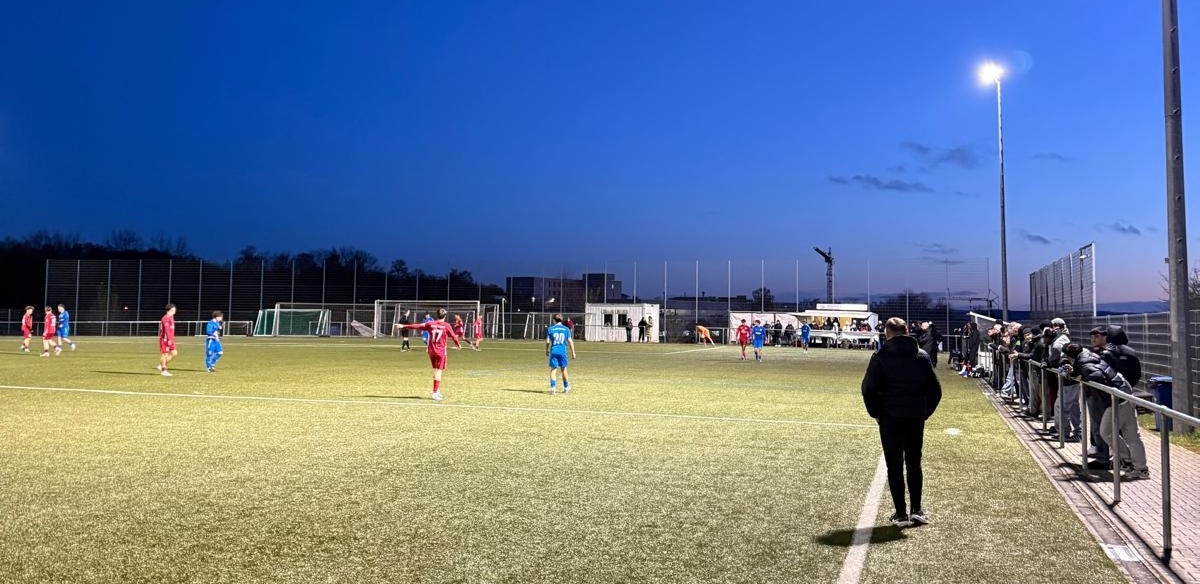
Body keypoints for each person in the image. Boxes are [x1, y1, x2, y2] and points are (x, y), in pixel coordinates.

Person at [861, 317, 942, 527]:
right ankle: (917, 509)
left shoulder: (880, 356)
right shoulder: (921, 356)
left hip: (890, 418)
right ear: (906, 331)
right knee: (914, 463)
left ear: (887, 333)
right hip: (914, 417)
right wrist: (923, 412)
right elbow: (936, 391)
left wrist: (876, 414)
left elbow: (868, 389)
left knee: (894, 465)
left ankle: (900, 513)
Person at [1060, 343, 1149, 480]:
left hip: (1117, 399)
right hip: (1124, 390)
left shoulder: (1084, 363)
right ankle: (1140, 468)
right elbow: (1091, 370)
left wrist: (1082, 377)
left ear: (1069, 356)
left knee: (1106, 432)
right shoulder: (1088, 356)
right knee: (1132, 435)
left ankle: (1127, 461)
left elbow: (1097, 376)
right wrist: (1075, 373)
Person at [402, 308, 461, 401]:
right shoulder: (446, 325)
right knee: (439, 371)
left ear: (436, 315)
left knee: (435, 371)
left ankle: (437, 390)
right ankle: (434, 392)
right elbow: (454, 337)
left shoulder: (430, 324)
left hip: (431, 351)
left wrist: (404, 326)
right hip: (440, 352)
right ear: (445, 316)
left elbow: (417, 326)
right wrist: (458, 345)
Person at [1047, 317, 1081, 441]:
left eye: (1053, 326)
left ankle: (1065, 432)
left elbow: (1055, 359)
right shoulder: (1062, 338)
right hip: (1069, 379)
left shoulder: (1060, 341)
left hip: (1068, 380)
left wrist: (1050, 363)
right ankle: (1076, 432)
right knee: (1073, 407)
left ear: (1058, 327)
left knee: (1062, 407)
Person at [546, 314, 577, 394]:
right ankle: (566, 387)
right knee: (563, 369)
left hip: (554, 351)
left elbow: (547, 341)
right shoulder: (566, 329)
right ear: (561, 320)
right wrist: (573, 352)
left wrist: (546, 350)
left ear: (554, 320)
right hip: (562, 352)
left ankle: (553, 388)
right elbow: (570, 341)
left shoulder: (550, 329)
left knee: (553, 369)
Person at [157, 304, 177, 376]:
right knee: (164, 354)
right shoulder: (165, 318)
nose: (174, 311)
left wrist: (171, 339)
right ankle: (163, 370)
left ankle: (161, 365)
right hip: (165, 339)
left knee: (174, 353)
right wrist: (169, 339)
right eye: (173, 310)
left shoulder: (171, 317)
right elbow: (166, 330)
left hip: (170, 339)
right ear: (169, 310)